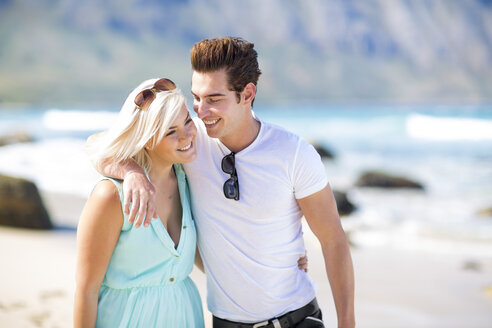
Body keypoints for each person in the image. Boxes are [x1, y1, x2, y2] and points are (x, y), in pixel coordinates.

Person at [93, 37, 355, 327]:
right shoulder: (189, 143)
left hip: (297, 318)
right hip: (225, 322)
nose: (201, 112)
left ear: (247, 94)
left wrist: (347, 322)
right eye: (197, 98)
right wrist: (132, 171)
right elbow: (98, 146)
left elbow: (334, 240)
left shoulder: (294, 153)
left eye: (214, 100)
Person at [74, 78, 205, 327]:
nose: (186, 135)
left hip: (186, 316)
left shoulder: (189, 178)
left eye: (187, 120)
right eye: (170, 131)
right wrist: (132, 171)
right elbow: (86, 291)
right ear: (146, 138)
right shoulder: (111, 196)